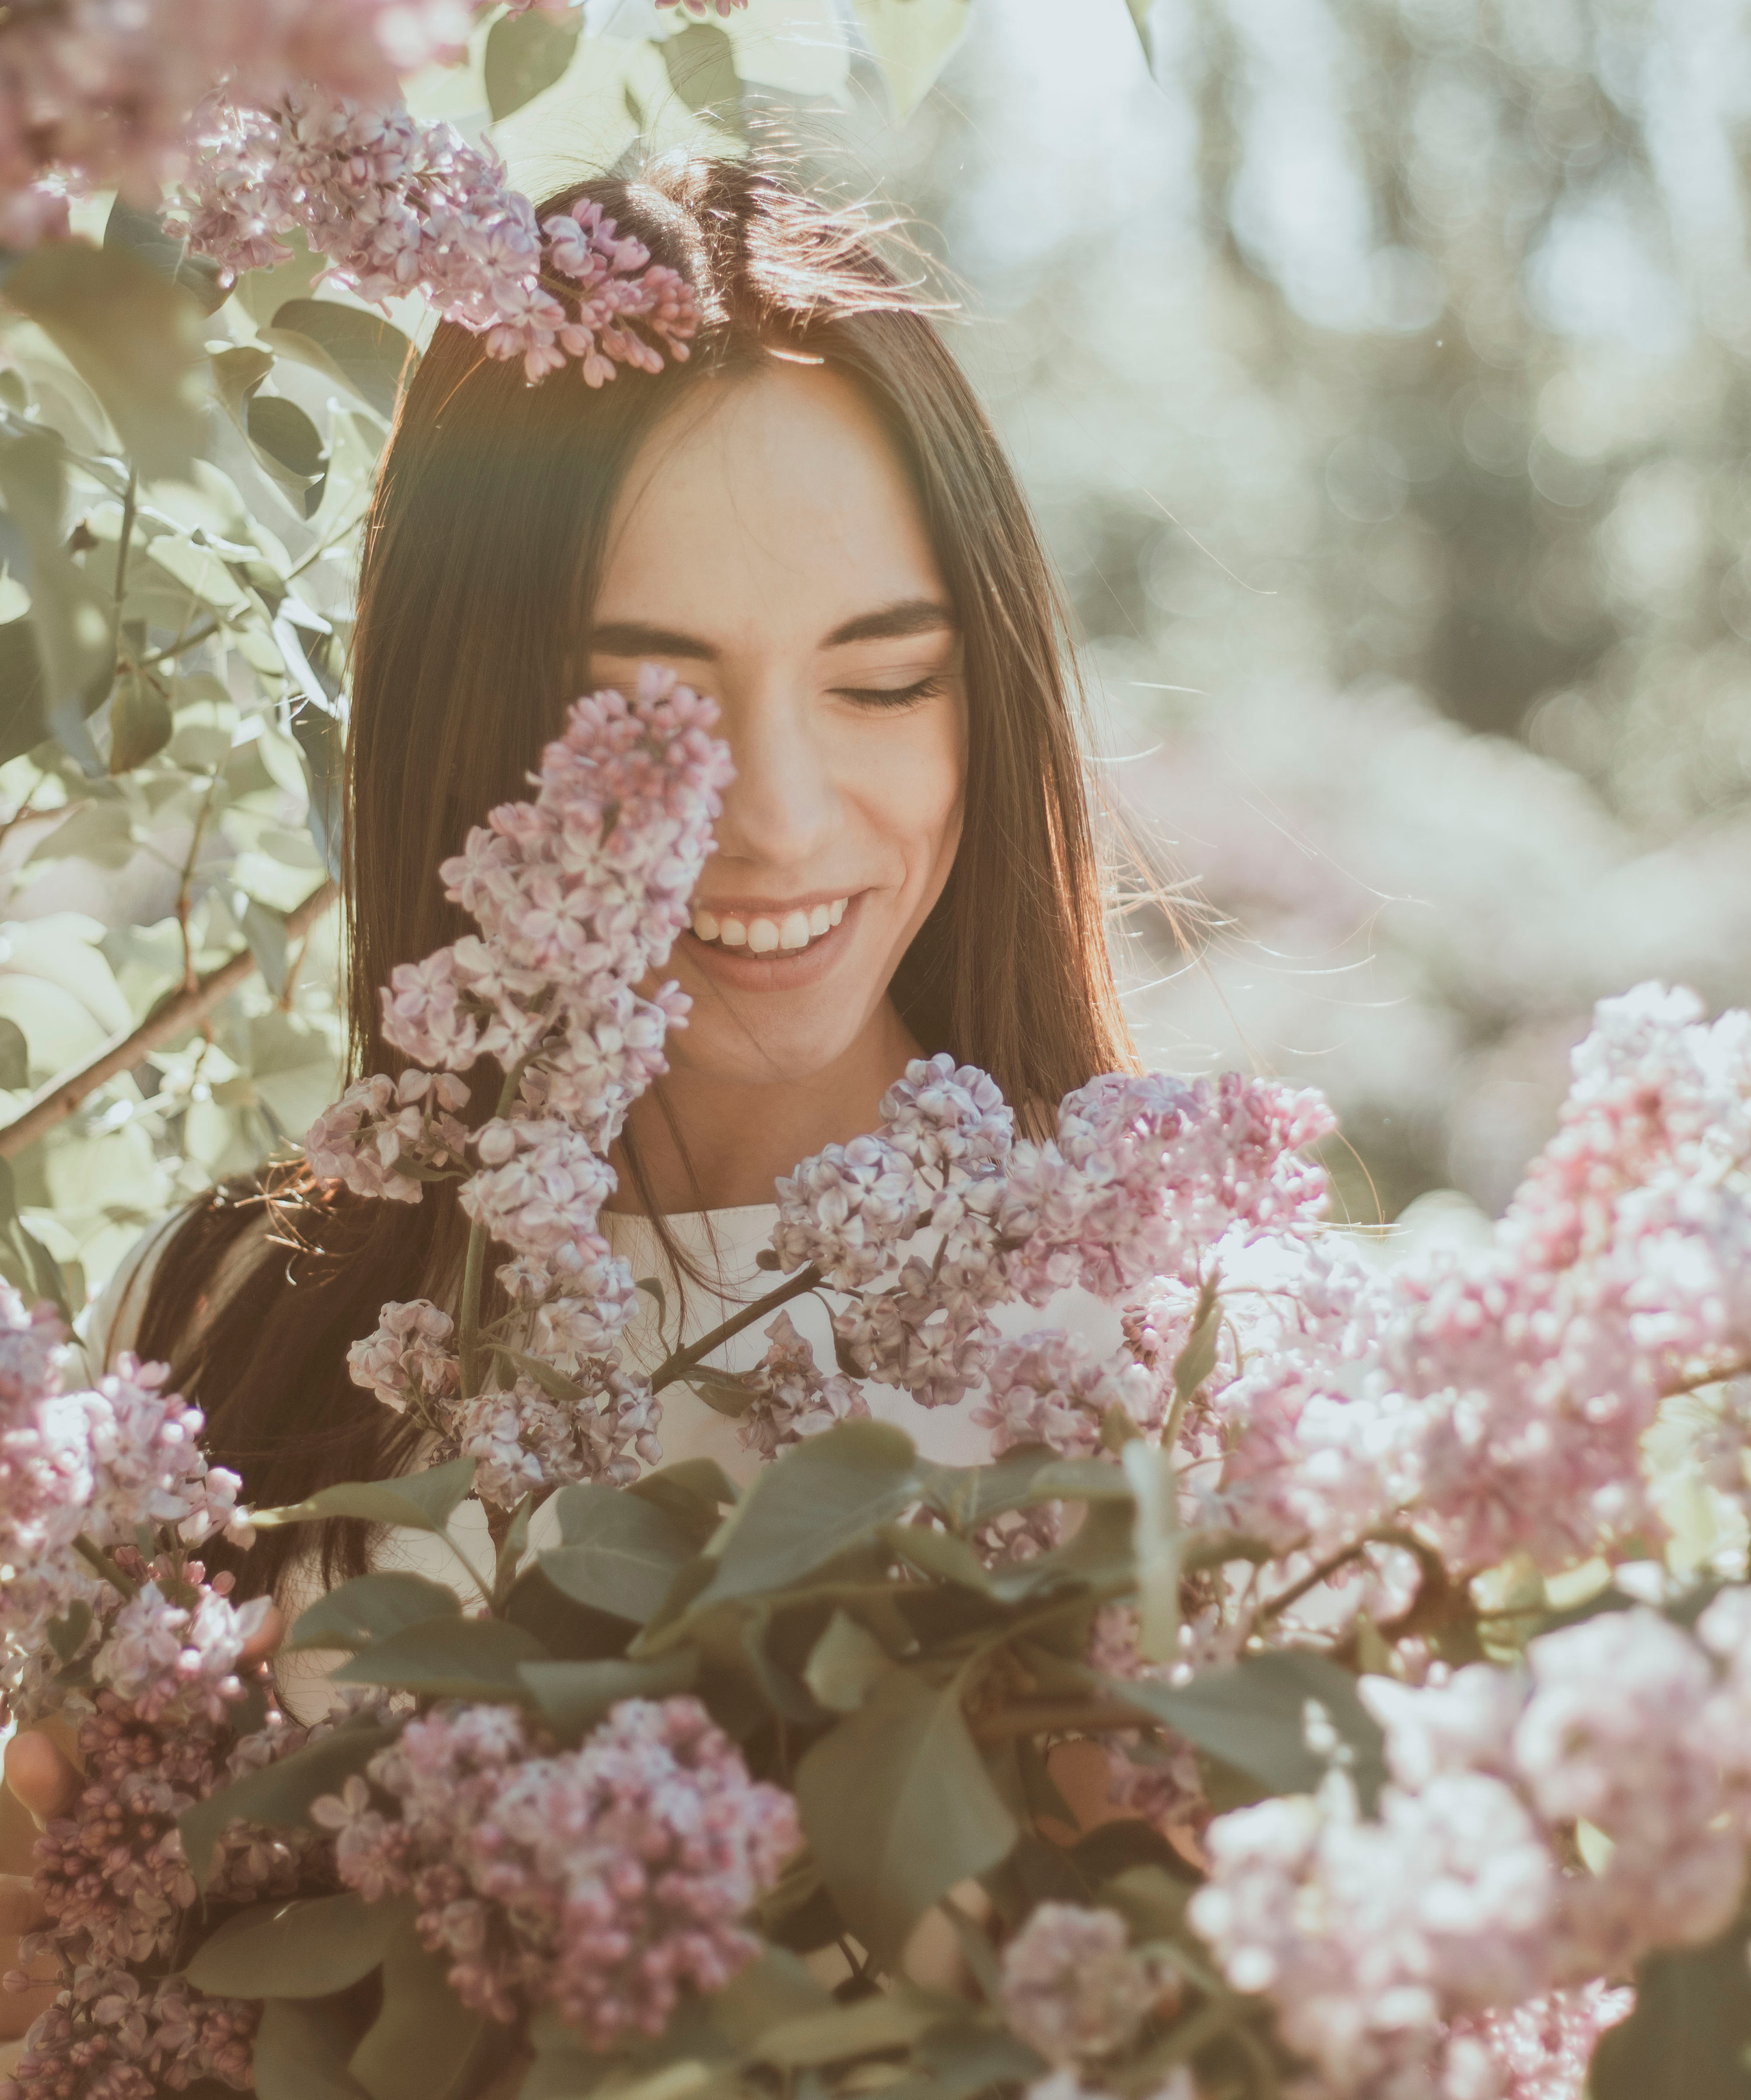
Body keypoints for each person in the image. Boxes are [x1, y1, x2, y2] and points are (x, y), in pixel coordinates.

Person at [0, 157, 1140, 2038]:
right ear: (474, 712)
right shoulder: (226, 1324)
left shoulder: (1132, 1349)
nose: (775, 816)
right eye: (646, 704)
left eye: (889, 682)